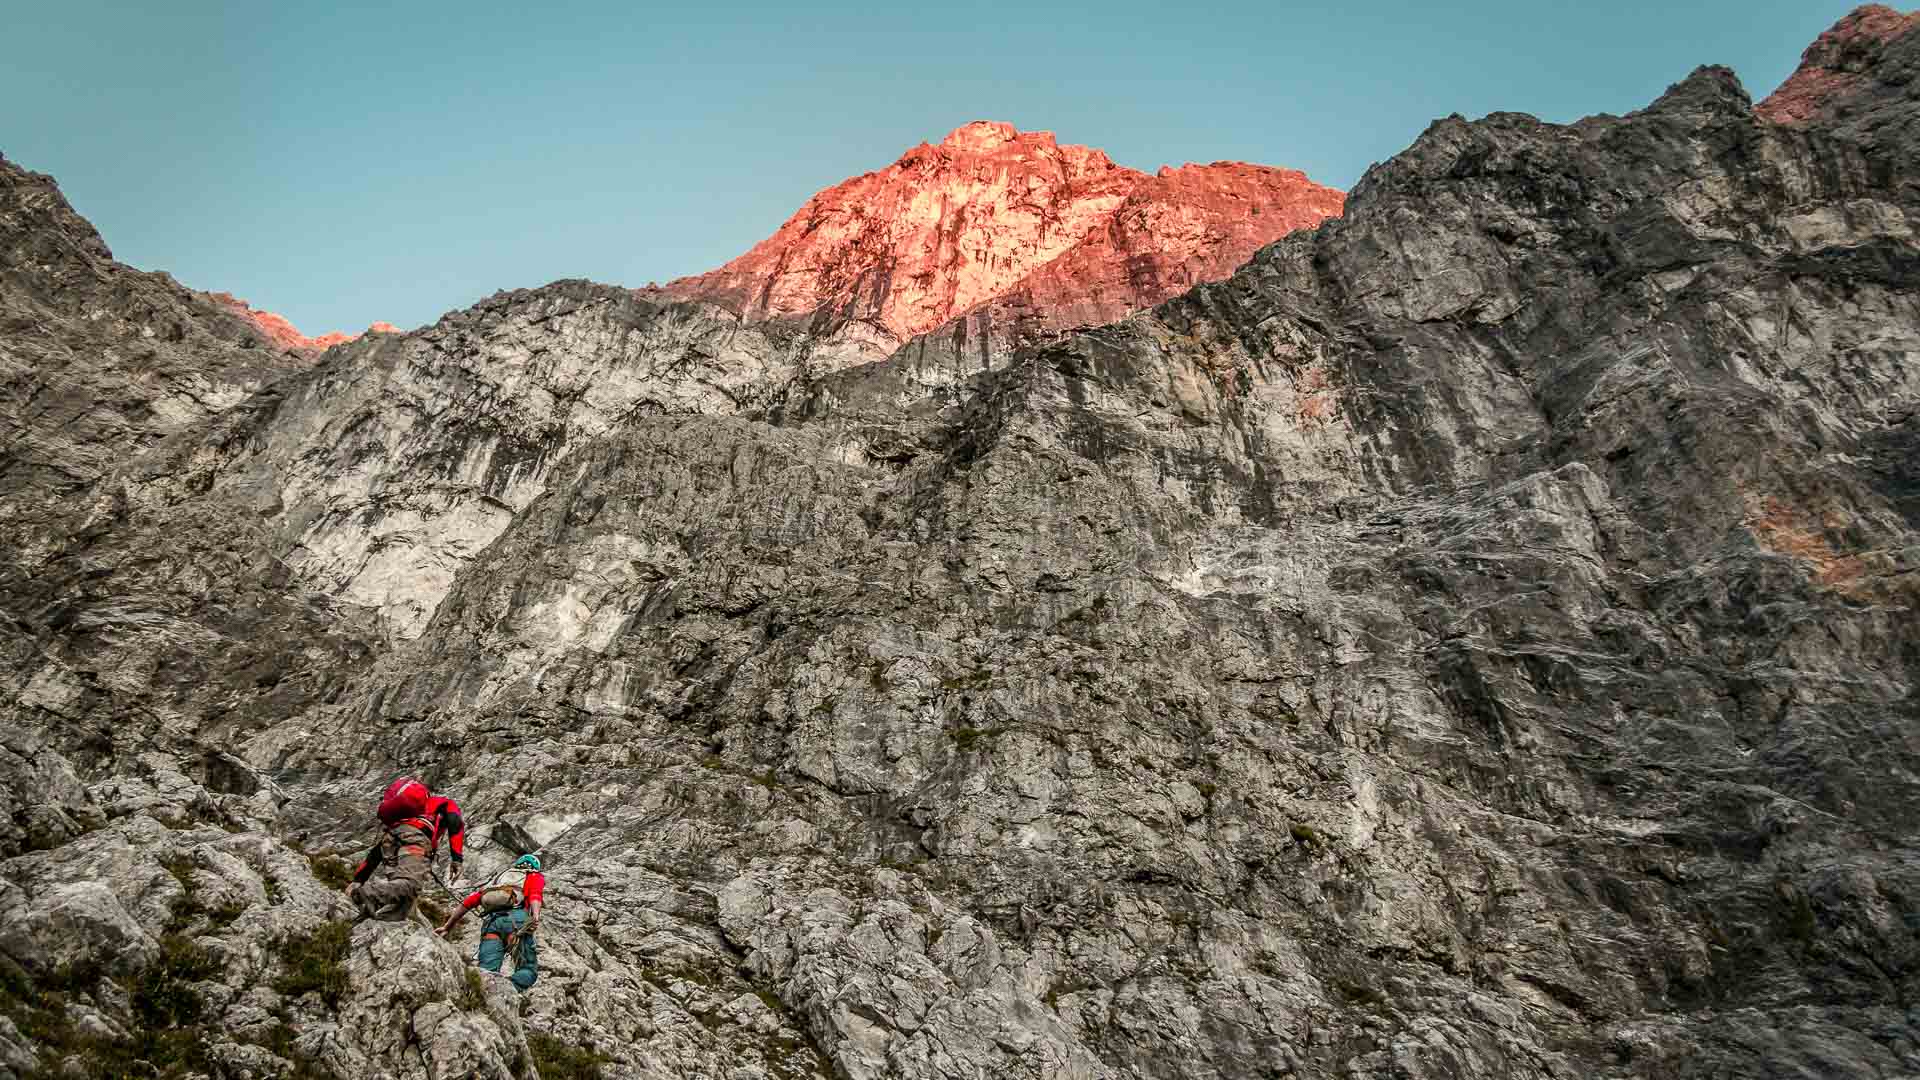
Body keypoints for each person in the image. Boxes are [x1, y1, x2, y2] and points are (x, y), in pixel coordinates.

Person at [436, 854, 545, 990]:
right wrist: (535, 916)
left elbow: (469, 902)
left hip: (492, 924)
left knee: (486, 970)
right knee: (528, 969)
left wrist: (448, 926)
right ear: (535, 868)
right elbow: (535, 894)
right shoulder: (533, 876)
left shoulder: (499, 879)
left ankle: (485, 995)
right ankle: (508, 990)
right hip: (516, 923)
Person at [346, 776, 436, 921]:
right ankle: (368, 894)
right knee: (410, 885)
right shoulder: (424, 811)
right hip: (413, 838)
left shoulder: (399, 822)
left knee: (402, 902)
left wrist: (358, 878)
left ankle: (360, 922)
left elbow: (375, 853)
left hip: (395, 837)